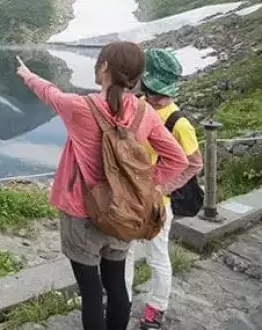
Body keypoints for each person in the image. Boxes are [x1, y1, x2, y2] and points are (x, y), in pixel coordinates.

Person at [16, 42, 188, 330]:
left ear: (104, 66)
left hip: (81, 213)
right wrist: (146, 187)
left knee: (91, 291)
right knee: (116, 283)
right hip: (123, 213)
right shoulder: (145, 112)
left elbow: (49, 92)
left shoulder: (80, 107)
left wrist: (26, 74)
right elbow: (178, 159)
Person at [124, 48, 204, 330]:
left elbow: (194, 163)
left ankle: (156, 307)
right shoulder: (137, 104)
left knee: (157, 256)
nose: (154, 97)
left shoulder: (179, 123)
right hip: (130, 197)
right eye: (150, 90)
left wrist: (163, 187)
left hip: (158, 203)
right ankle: (122, 300)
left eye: (158, 92)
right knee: (124, 252)